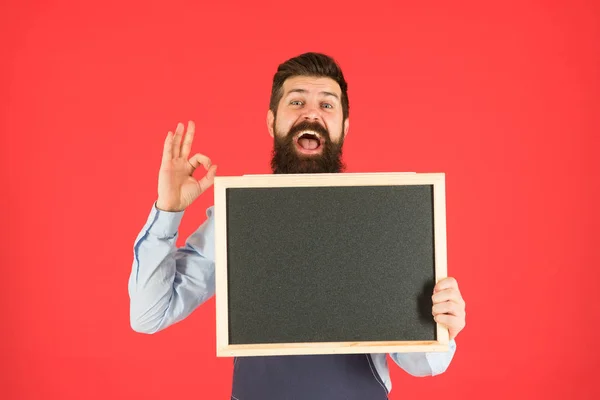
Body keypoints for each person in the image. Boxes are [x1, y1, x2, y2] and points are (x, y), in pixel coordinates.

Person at [128, 52, 467, 399]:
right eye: (297, 101)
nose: (311, 113)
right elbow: (149, 315)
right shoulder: (236, 217)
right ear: (272, 120)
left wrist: (442, 325)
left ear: (344, 126)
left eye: (327, 104)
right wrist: (167, 210)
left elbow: (423, 364)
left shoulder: (383, 222)